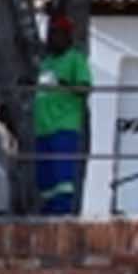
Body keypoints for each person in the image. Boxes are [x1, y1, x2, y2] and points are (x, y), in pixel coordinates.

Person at [35, 15, 92, 216]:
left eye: (58, 34)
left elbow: (85, 89)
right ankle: (47, 219)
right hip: (42, 130)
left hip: (64, 129)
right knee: (46, 184)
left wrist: (63, 84)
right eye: (52, 34)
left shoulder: (75, 59)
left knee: (62, 182)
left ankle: (61, 219)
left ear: (67, 36)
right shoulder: (47, 62)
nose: (54, 39)